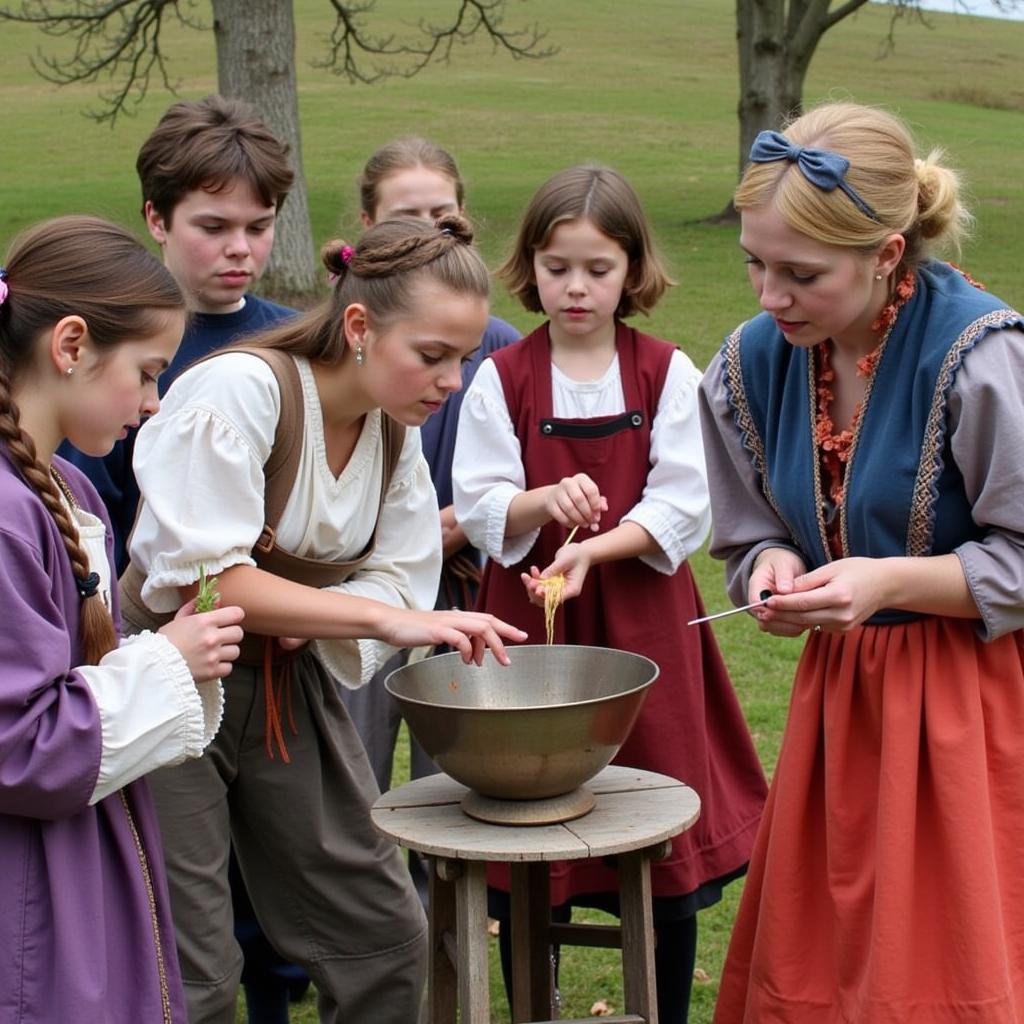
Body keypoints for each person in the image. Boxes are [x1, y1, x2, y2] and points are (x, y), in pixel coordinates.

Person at [119, 213, 528, 1024]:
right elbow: (213, 582)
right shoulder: (240, 391)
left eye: (465, 360)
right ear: (359, 327)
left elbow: (399, 575)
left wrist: (335, 616)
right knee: (191, 966)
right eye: (432, 356)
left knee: (382, 934)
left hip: (282, 685)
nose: (450, 382)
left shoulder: (391, 434)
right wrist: (371, 620)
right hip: (167, 676)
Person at [698, 101, 1024, 1023]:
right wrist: (765, 566)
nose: (769, 296)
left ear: (885, 254)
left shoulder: (982, 356)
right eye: (755, 264)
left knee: (943, 964)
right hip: (844, 707)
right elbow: (750, 528)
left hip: (973, 704)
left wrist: (887, 581)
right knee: (829, 962)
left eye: (801, 274)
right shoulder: (752, 364)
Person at [452, 165, 768, 1023]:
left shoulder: (666, 372)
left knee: (655, 802)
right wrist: (541, 505)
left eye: (598, 267)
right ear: (531, 266)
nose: (577, 287)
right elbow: (480, 498)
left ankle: (659, 999)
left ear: (631, 269)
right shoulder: (504, 374)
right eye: (558, 268)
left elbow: (685, 500)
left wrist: (598, 548)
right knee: (530, 809)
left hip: (640, 623)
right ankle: (535, 1002)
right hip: (530, 623)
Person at [59, 93, 309, 1022]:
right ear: (157, 219)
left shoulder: (292, 343)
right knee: (185, 908)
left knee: (278, 904)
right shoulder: (109, 356)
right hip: (148, 658)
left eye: (257, 226)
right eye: (211, 226)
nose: (237, 248)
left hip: (275, 656)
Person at [0, 215, 244, 1023]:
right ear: (70, 346)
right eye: (145, 372)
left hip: (79, 846)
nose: (153, 401)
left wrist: (172, 655)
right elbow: (21, 745)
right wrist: (168, 660)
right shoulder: (6, 515)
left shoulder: (64, 492)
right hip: (27, 882)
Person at [340, 137, 520, 805]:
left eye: (443, 220)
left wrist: (466, 521)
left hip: (464, 585)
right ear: (368, 226)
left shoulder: (495, 343)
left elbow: (518, 464)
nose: (428, 236)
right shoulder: (349, 345)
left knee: (456, 775)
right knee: (352, 768)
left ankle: (453, 909)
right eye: (407, 218)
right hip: (361, 591)